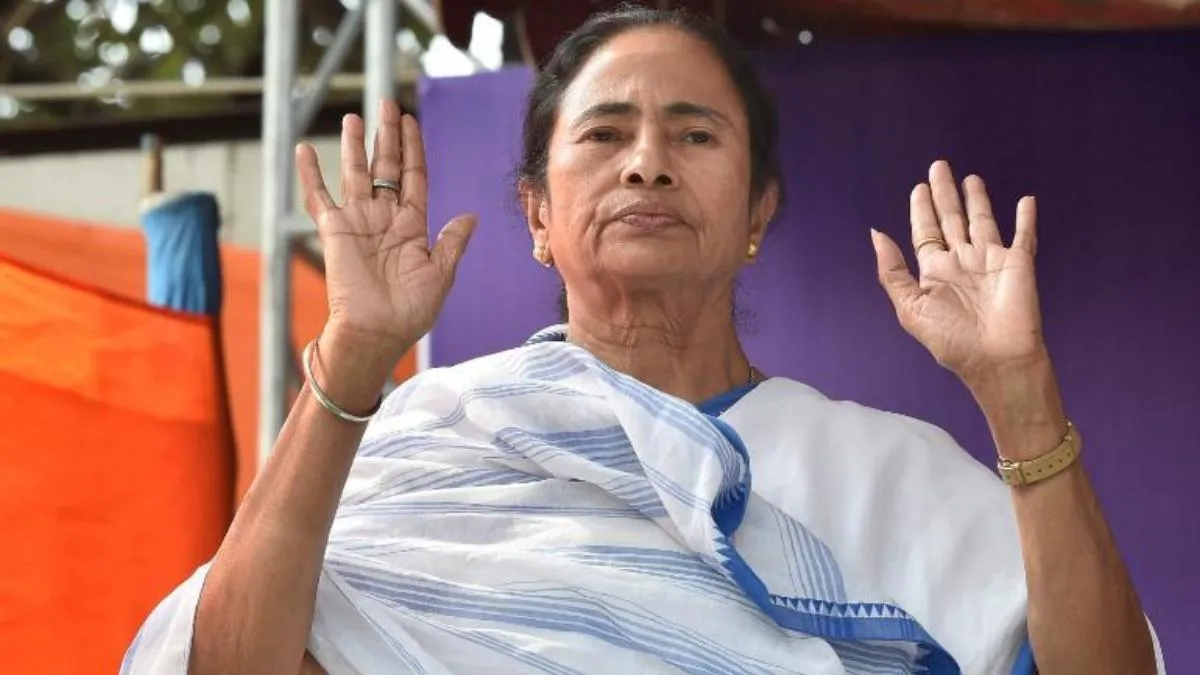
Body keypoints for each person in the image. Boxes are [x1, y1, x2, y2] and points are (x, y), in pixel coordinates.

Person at [122, 7, 1163, 675]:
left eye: (696, 133)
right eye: (605, 133)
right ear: (538, 214)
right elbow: (226, 662)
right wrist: (354, 354)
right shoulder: (433, 437)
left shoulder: (892, 474)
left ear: (758, 212)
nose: (648, 163)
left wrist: (1019, 392)